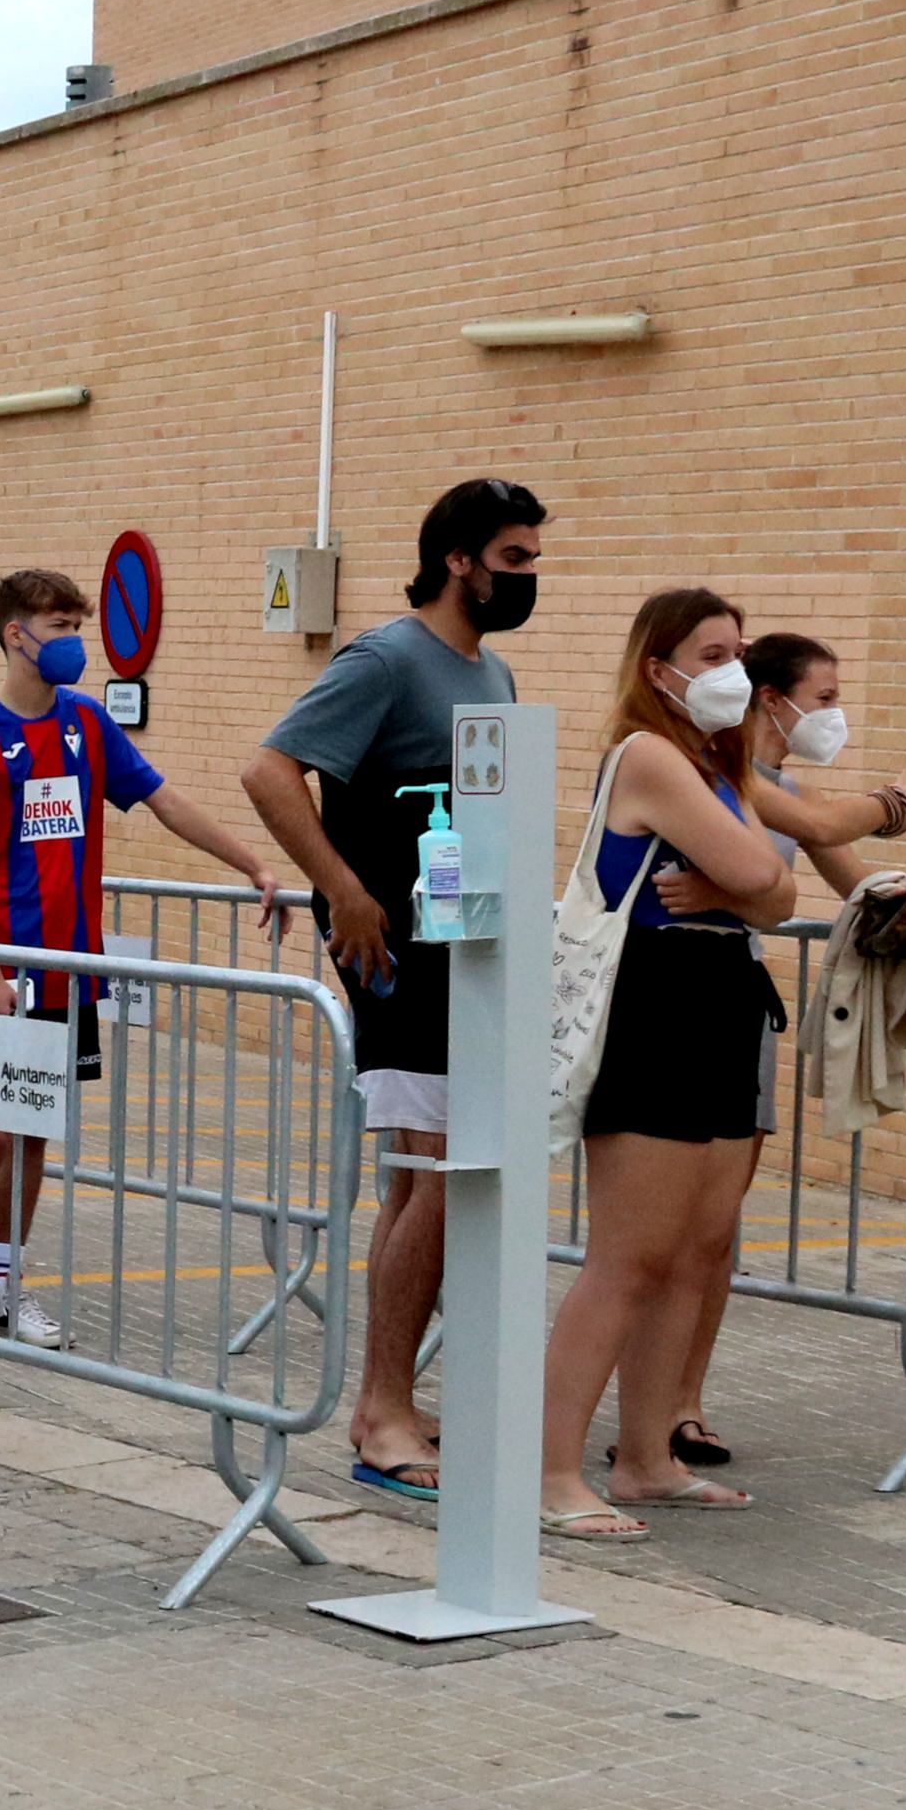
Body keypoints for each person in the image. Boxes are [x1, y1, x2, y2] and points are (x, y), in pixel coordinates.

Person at [242, 476, 548, 1499]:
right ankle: (379, 1410)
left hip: (469, 953)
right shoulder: (382, 659)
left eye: (534, 560)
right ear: (459, 558)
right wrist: (346, 893)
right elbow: (271, 773)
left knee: (437, 1179)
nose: (527, 577)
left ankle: (396, 1397)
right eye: (513, 559)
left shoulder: (491, 672)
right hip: (402, 957)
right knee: (431, 1173)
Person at [0, 569, 286, 1347]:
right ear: (15, 634)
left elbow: (162, 799)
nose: (73, 641)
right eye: (58, 625)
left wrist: (251, 864)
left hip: (68, 968)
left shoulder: (87, 724)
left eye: (75, 624)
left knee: (30, 1133)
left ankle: (3, 1286)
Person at [630, 630, 906, 1474]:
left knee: (714, 1234)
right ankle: (644, 1421)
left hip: (740, 1010)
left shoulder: (775, 785)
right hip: (671, 1010)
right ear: (774, 700)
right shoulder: (725, 777)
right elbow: (820, 828)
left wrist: (901, 910)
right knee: (661, 1235)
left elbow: (830, 881)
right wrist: (897, 800)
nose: (833, 717)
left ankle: (684, 1404)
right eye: (825, 699)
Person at [539, 590, 800, 1538]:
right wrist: (747, 881)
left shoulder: (720, 764)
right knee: (630, 1259)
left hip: (724, 1000)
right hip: (657, 1004)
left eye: (739, 651)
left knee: (696, 1251)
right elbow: (764, 874)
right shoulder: (648, 754)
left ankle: (648, 1457)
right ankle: (551, 1468)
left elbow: (776, 893)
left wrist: (746, 883)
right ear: (660, 669)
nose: (734, 670)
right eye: (713, 652)